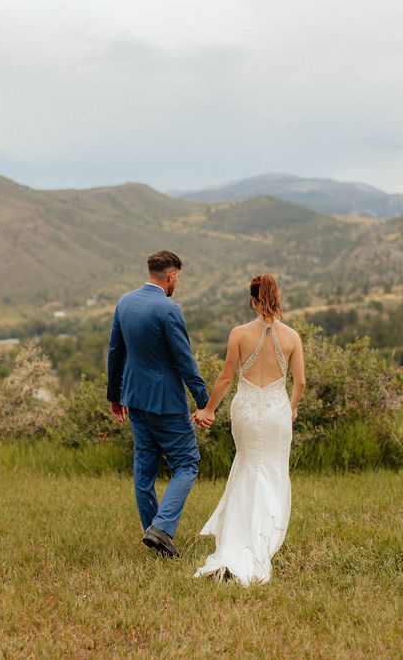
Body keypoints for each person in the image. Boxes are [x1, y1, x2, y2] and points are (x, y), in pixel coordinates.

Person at [192, 274, 305, 585]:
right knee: (271, 470)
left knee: (246, 466)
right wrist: (292, 407)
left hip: (245, 410)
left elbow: (226, 378)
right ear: (277, 298)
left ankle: (238, 538)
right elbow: (302, 382)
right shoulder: (292, 337)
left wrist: (207, 410)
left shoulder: (239, 334)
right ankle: (264, 537)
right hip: (277, 412)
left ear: (253, 300)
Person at [107, 250, 210, 558]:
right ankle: (162, 528)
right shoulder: (169, 309)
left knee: (144, 470)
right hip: (166, 403)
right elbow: (185, 362)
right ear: (171, 276)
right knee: (187, 462)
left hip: (135, 400)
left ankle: (153, 533)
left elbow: (115, 352)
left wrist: (115, 395)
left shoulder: (125, 302)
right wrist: (205, 403)